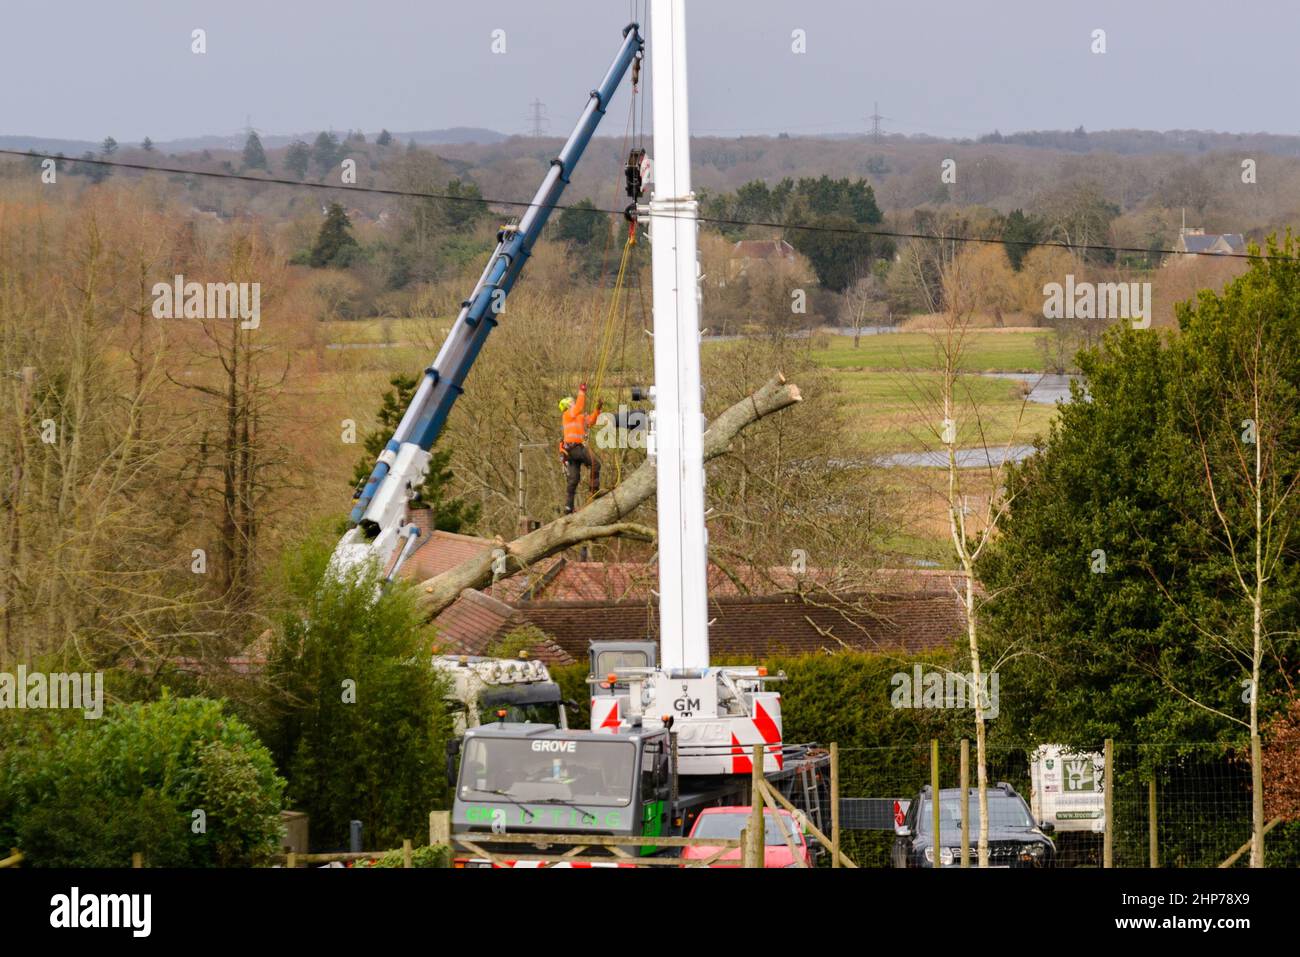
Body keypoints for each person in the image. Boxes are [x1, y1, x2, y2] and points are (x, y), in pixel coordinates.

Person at [559, 383, 602, 513]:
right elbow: (579, 406)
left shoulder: (579, 416)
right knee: (595, 464)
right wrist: (581, 392)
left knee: (574, 479)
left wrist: (598, 409)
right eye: (571, 402)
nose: (574, 403)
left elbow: (591, 421)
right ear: (567, 405)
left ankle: (569, 507)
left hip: (573, 451)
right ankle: (593, 491)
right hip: (573, 449)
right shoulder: (567, 414)